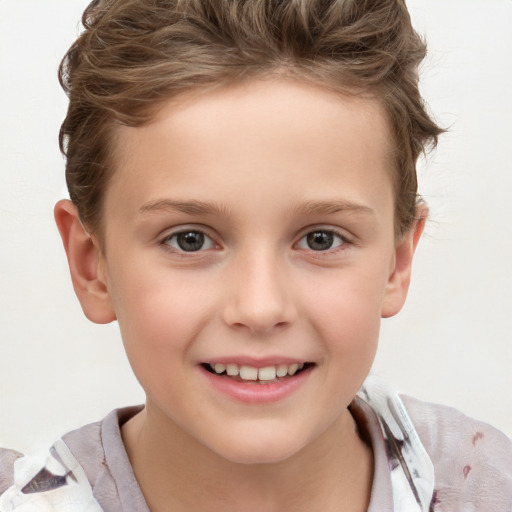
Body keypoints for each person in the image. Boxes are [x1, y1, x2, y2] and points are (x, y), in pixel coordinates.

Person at [0, 0, 511, 511]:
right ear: (93, 266)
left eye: (321, 239)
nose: (260, 308)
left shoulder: (487, 487)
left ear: (398, 262)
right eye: (190, 239)